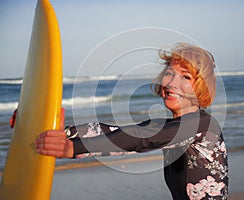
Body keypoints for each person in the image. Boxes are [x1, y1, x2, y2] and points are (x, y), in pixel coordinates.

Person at [14, 42, 228, 199]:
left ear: (201, 87)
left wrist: (72, 148)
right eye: (169, 73)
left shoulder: (201, 125)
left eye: (186, 77)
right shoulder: (172, 126)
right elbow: (117, 131)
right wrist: (64, 133)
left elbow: (139, 140)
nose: (172, 83)